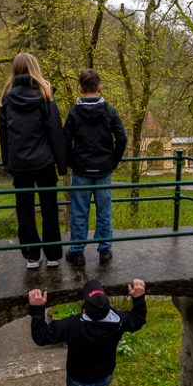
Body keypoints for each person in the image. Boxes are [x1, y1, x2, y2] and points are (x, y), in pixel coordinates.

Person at [28, 278, 147, 386]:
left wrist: (37, 310)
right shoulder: (119, 321)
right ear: (108, 307)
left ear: (85, 308)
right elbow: (137, 320)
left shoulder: (72, 325)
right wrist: (138, 298)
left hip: (78, 377)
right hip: (103, 375)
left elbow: (41, 337)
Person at [0, 53, 67, 269]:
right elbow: (55, 131)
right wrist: (61, 164)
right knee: (49, 208)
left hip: (20, 164)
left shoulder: (6, 97)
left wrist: (7, 163)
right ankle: (53, 254)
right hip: (44, 161)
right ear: (35, 68)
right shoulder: (45, 94)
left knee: (24, 210)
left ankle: (32, 256)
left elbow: (4, 134)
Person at [63, 69, 127, 267]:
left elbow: (65, 142)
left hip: (81, 171)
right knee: (104, 211)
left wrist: (73, 162)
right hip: (103, 171)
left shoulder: (74, 113)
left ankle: (77, 252)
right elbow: (122, 139)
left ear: (80, 88)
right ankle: (105, 250)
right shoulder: (110, 111)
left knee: (79, 212)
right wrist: (112, 162)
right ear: (100, 87)